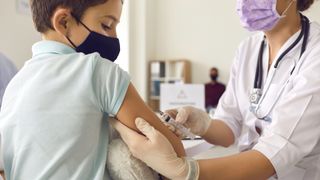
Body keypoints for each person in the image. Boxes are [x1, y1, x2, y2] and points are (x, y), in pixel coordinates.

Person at [112, 0, 320, 179]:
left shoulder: (315, 54)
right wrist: (203, 124)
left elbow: (277, 150)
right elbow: (230, 129)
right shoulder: (248, 49)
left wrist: (186, 172)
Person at [0, 0, 185, 179]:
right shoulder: (96, 70)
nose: (114, 37)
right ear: (64, 22)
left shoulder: (14, 86)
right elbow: (175, 152)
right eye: (106, 24)